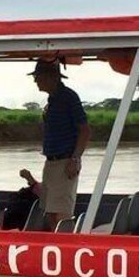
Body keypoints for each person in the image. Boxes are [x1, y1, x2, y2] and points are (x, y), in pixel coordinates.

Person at [29, 59, 90, 230]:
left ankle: (64, 246)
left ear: (51, 77)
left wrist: (75, 159)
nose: (36, 81)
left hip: (64, 162)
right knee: (49, 210)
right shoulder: (53, 99)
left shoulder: (68, 97)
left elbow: (84, 130)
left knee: (60, 213)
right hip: (51, 161)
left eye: (38, 76)